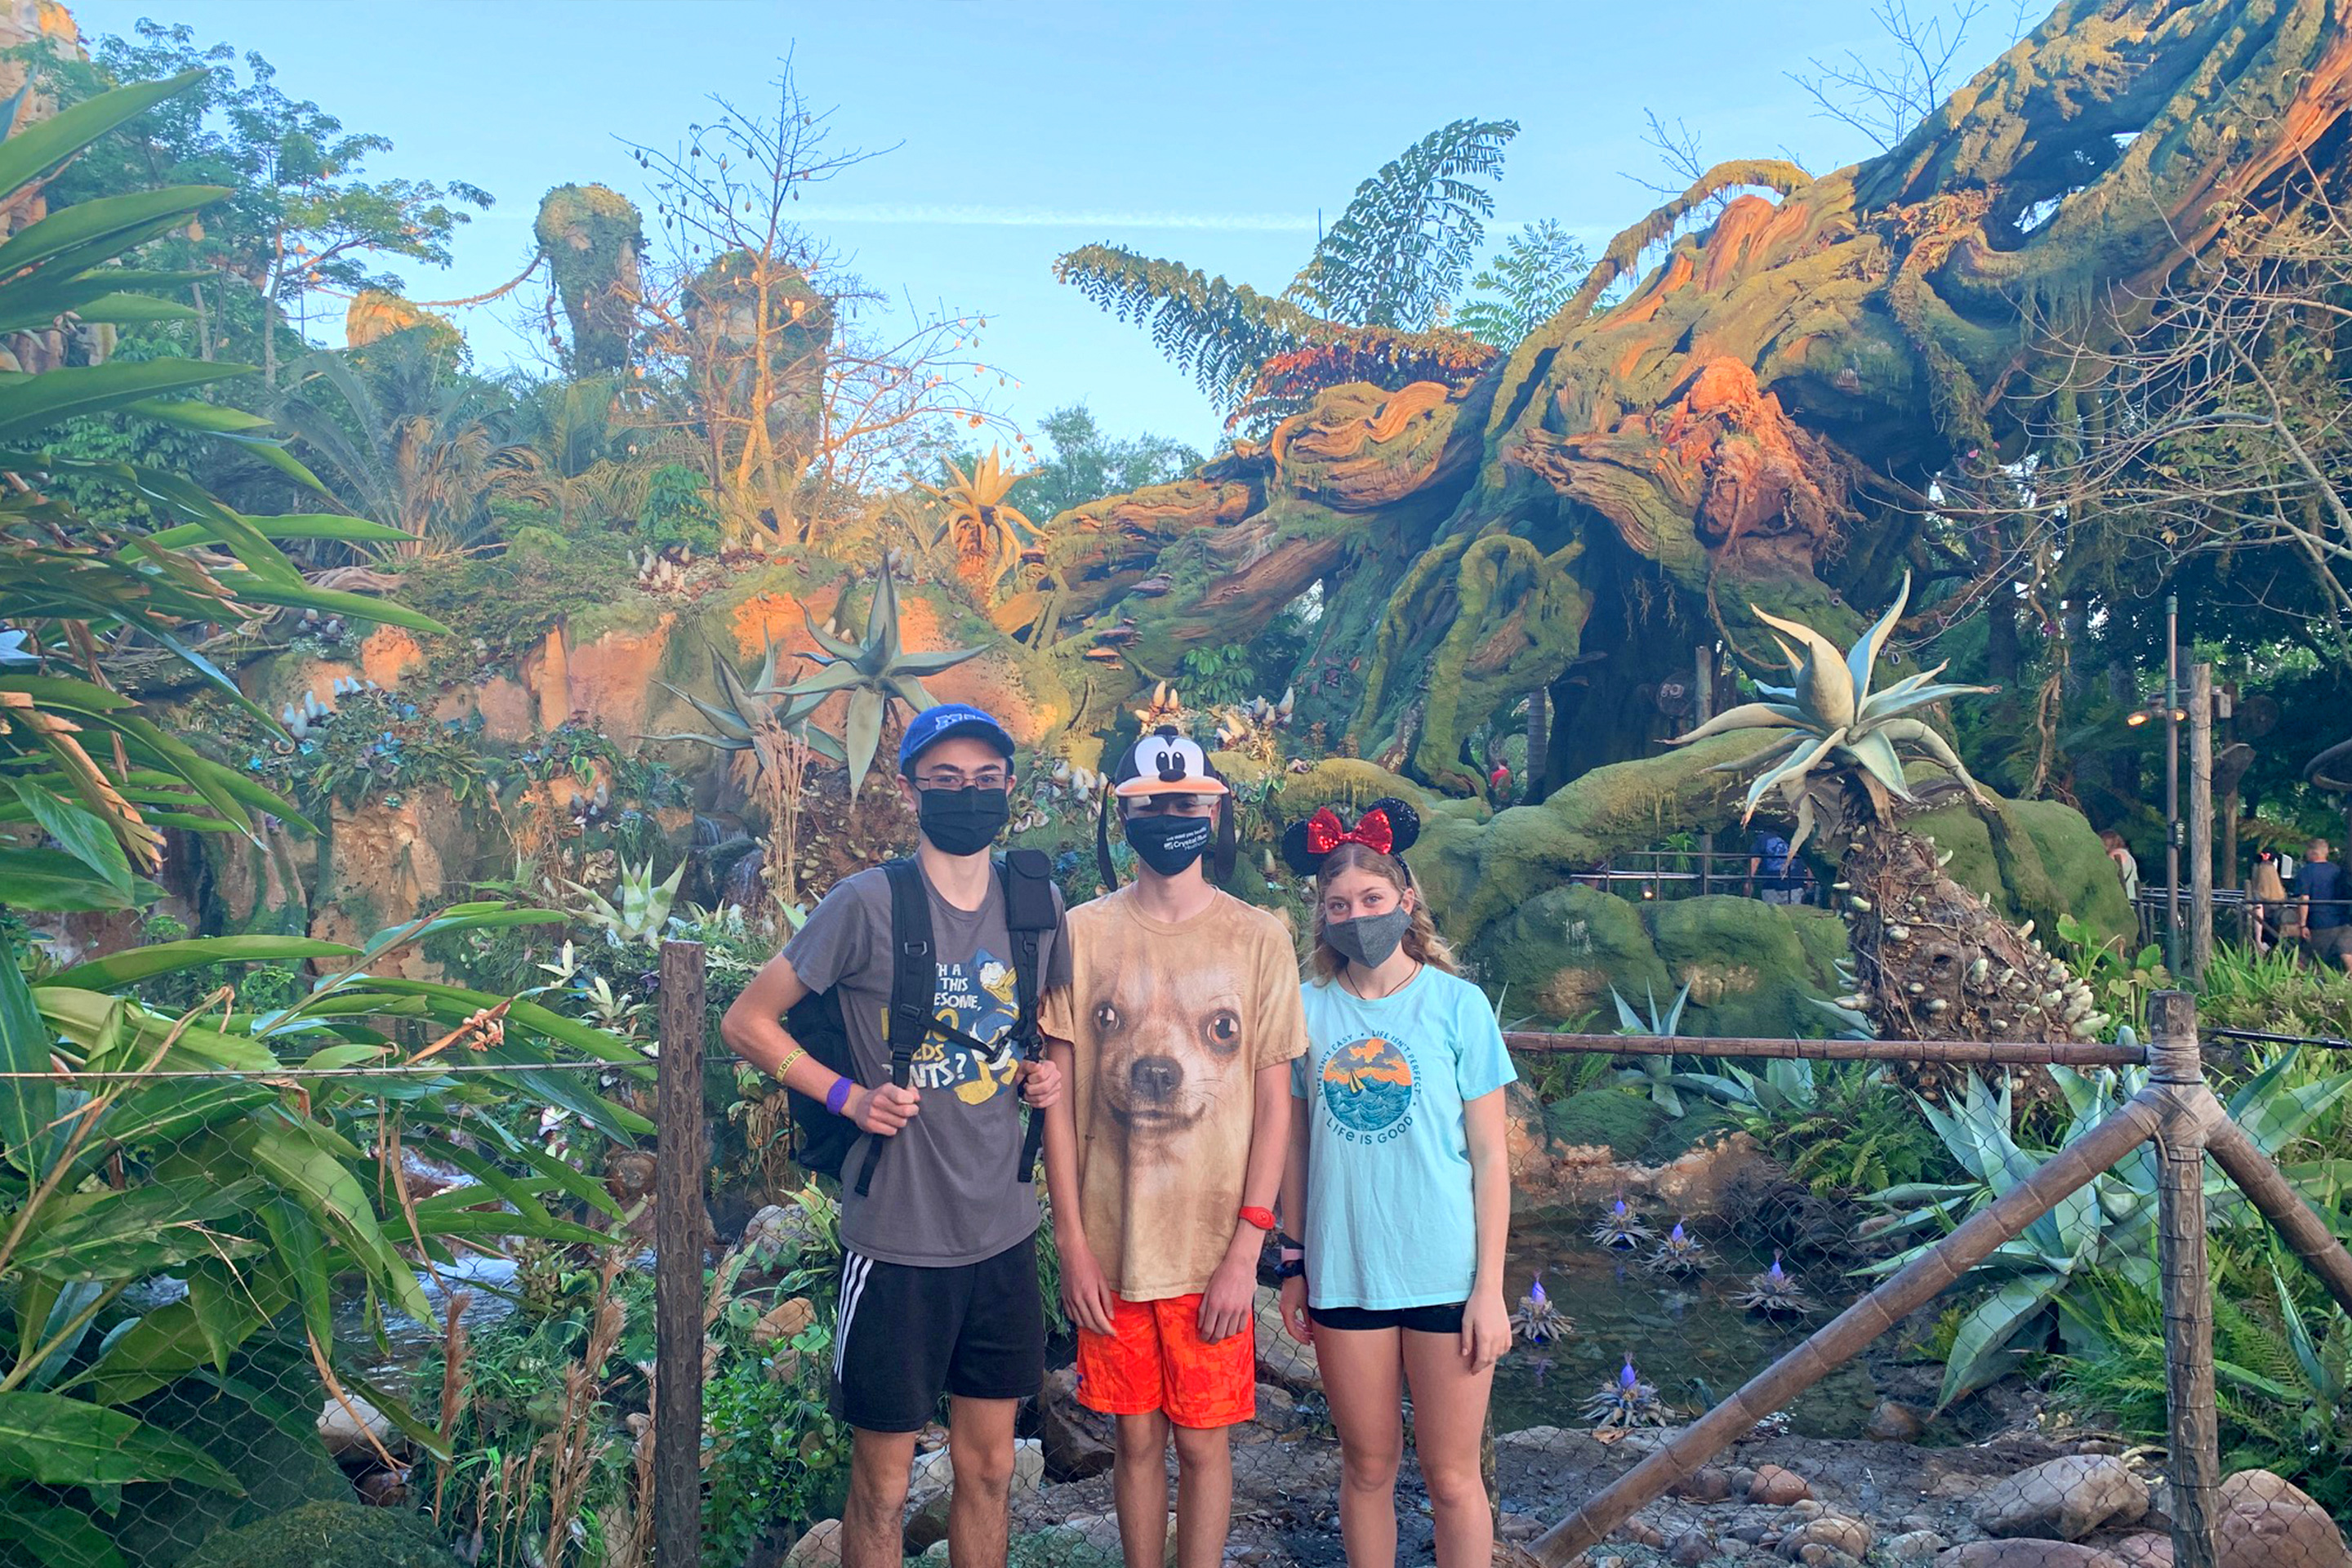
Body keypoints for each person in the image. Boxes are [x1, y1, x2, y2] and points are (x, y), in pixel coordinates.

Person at [720, 703, 1069, 1568]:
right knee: (882, 1484)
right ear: (912, 791)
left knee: (990, 1470)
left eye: (985, 780)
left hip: (1003, 1231)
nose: (968, 795)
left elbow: (1049, 1031)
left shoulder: (1036, 902)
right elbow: (747, 1021)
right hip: (898, 1239)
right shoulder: (867, 904)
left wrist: (1047, 1074)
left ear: (1008, 788)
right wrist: (845, 1096)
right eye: (946, 780)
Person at [1039, 726, 1303, 1568]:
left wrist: (1248, 1249)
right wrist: (1072, 1245)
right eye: (1151, 805)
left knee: (1204, 1444)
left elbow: (1275, 1104)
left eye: (1186, 802)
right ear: (1123, 816)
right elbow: (1057, 1100)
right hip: (1112, 1249)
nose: (1170, 817)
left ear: (1213, 810)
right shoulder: (1080, 935)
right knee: (1136, 1441)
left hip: (1213, 1249)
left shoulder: (1259, 939)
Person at [1274, 798, 1516, 1568]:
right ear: (1322, 916)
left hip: (1445, 1271)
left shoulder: (1458, 1005)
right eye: (1339, 905)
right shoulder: (1305, 1012)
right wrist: (1293, 1260)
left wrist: (1490, 1289)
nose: (1358, 916)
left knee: (1452, 1476)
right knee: (1368, 1466)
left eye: (1372, 899)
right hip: (1347, 1272)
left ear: (1406, 900)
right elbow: (1295, 1147)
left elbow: (1490, 1159)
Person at [2294, 838, 2352, 973]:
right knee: (2347, 954)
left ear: (2312, 852)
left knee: (2304, 958)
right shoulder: (2338, 871)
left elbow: (2304, 899)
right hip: (2343, 921)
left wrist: (2302, 924)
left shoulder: (2306, 872)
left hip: (2319, 924)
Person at [1747, 826, 1805, 906]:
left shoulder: (1763, 839)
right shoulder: (1797, 836)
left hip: (1780, 886)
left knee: (1772, 910)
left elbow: (1755, 861)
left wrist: (1748, 881)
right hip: (1786, 886)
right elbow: (1755, 860)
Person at [2248, 852, 2290, 955]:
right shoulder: (2282, 894)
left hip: (2265, 933)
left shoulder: (2258, 894)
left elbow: (2259, 917)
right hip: (2277, 932)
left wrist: (2258, 940)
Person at [2100, 830, 2140, 905]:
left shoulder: (2115, 855)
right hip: (2132, 898)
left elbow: (2104, 874)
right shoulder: (2128, 855)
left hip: (2121, 900)